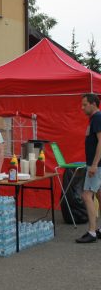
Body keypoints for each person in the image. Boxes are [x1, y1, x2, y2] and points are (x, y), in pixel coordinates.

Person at [76, 93, 101, 244]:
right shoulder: (94, 119)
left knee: (87, 195)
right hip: (97, 165)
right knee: (99, 195)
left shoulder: (97, 118)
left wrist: (94, 164)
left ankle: (92, 232)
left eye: (85, 104)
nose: (82, 107)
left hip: (96, 165)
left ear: (93, 104)